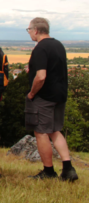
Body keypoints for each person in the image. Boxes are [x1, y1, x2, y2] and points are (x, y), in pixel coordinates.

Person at [25, 17, 78, 181]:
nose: (29, 33)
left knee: (41, 132)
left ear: (35, 30)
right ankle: (68, 168)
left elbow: (41, 76)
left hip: (44, 96)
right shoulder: (58, 45)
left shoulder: (40, 48)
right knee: (55, 130)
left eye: (29, 30)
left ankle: (48, 172)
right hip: (59, 95)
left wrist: (32, 94)